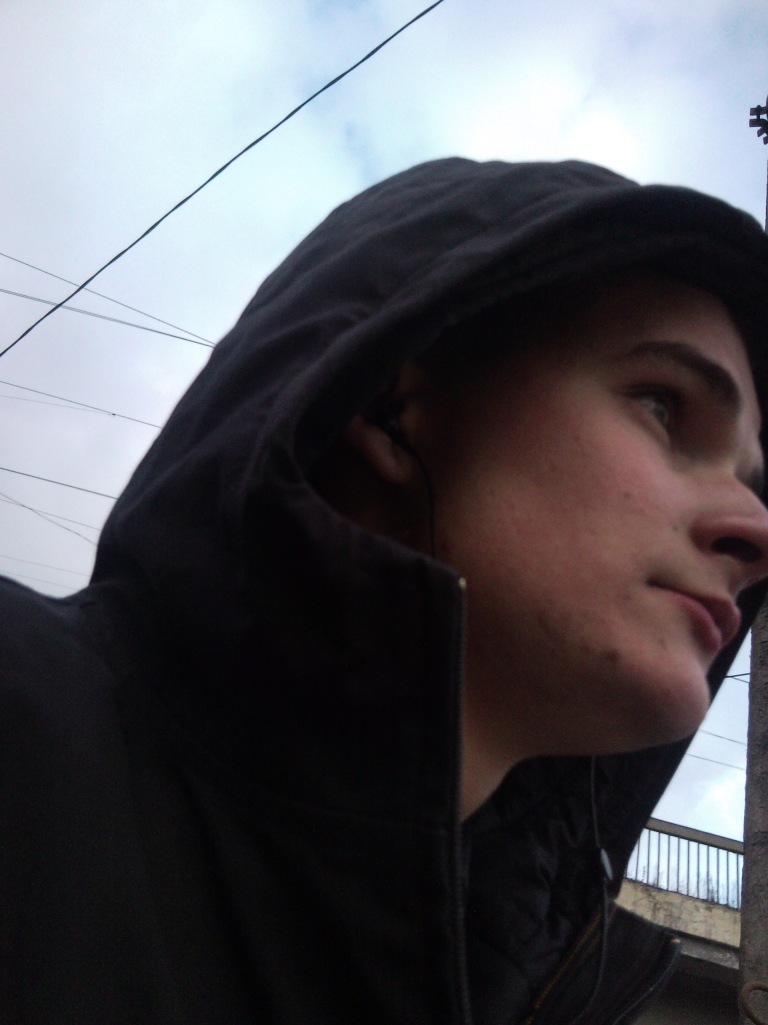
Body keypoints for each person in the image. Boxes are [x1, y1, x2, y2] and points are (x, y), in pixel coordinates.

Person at [3, 157, 768, 1025]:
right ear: (387, 405)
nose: (757, 531)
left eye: (753, 478)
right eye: (664, 406)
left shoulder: (537, 988)